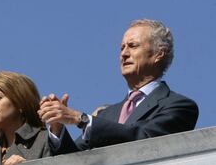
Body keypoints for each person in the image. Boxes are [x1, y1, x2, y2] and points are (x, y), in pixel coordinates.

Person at [38, 19, 199, 151]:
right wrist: (57, 127)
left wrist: (80, 119)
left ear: (159, 53)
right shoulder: (105, 115)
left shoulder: (180, 106)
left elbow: (144, 140)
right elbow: (74, 161)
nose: (124, 53)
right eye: (122, 48)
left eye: (133, 46)